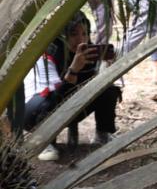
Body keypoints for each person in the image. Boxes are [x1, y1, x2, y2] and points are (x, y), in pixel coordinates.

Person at [23, 11, 121, 161]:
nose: (81, 39)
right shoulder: (47, 54)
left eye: (85, 33)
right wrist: (74, 69)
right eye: (74, 34)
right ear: (62, 35)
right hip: (34, 113)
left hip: (69, 108)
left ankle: (103, 134)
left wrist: (108, 67)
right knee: (47, 101)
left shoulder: (89, 51)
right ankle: (43, 142)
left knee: (109, 90)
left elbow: (92, 86)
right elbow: (54, 97)